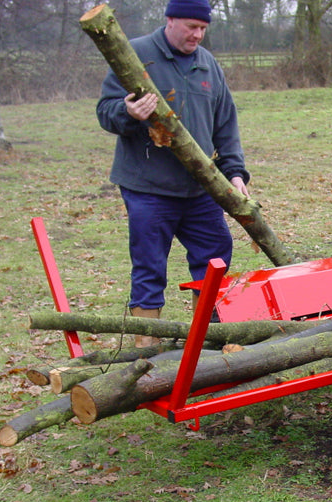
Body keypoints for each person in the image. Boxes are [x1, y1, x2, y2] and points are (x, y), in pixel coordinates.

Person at [96, 0, 249, 346]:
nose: (197, 34)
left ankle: (205, 342)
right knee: (150, 267)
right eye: (191, 27)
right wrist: (128, 112)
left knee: (215, 257)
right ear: (170, 20)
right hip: (148, 188)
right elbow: (105, 111)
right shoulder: (135, 54)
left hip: (201, 188)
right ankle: (144, 351)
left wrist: (235, 173)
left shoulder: (207, 65)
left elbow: (226, 125)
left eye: (203, 28)